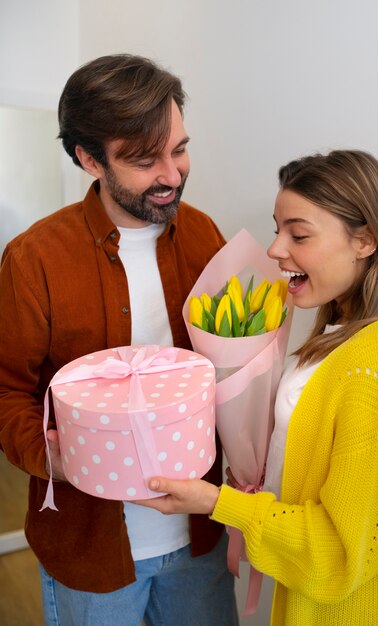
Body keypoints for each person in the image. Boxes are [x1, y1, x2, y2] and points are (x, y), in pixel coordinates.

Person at [136, 150, 378, 625]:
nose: (276, 249)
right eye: (278, 229)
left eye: (298, 234)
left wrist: (218, 503)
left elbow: (339, 550)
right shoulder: (346, 333)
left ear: (365, 240)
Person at [0, 54, 238, 626]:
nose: (172, 174)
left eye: (179, 149)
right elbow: (7, 391)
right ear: (88, 159)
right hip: (90, 548)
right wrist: (54, 456)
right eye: (143, 159)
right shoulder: (35, 259)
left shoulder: (204, 234)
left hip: (199, 540)